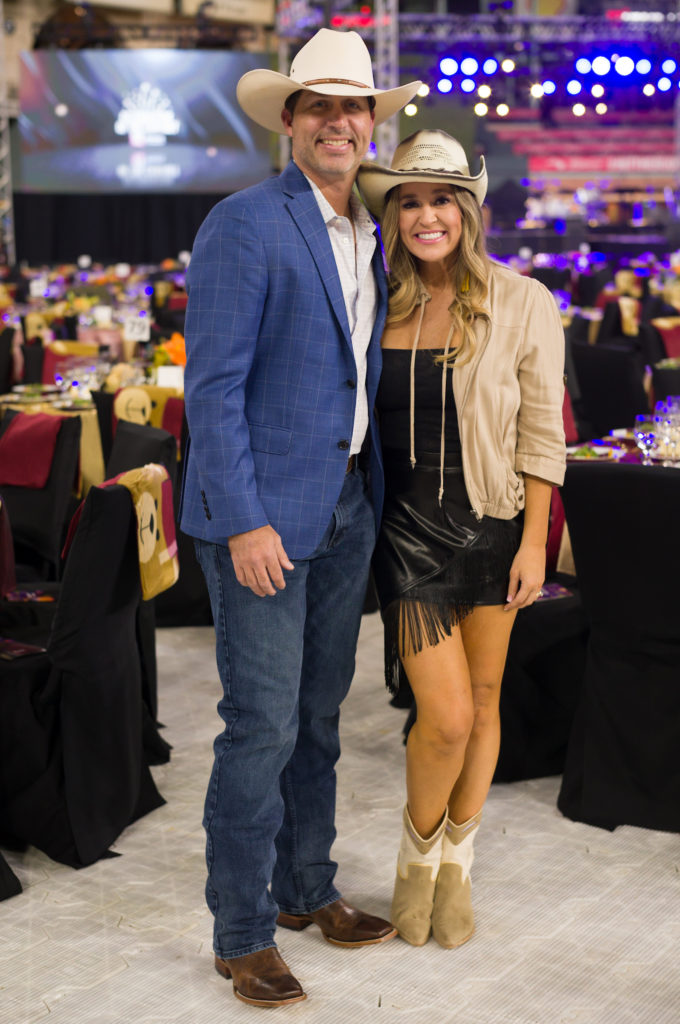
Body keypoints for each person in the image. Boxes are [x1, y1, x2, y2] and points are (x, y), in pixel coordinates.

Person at [178, 29, 420, 1009]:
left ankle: (302, 890)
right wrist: (240, 520)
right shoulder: (244, 223)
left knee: (317, 721)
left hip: (342, 509)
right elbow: (213, 388)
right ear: (288, 120)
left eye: (353, 106)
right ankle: (240, 934)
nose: (337, 121)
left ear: (371, 123)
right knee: (259, 730)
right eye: (318, 105)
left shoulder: (367, 230)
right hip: (260, 524)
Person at [357, 130, 566, 949]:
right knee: (441, 716)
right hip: (404, 534)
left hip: (495, 523)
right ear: (394, 216)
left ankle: (456, 865)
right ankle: (415, 859)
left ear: (468, 209)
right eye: (409, 201)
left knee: (483, 705)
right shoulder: (379, 300)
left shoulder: (524, 300)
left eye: (441, 198)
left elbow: (542, 431)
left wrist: (535, 541)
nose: (425, 215)